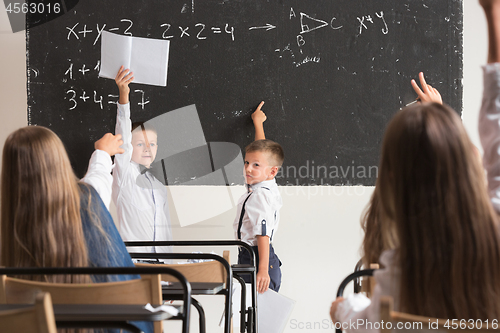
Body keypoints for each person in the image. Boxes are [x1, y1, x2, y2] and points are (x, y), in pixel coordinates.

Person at [330, 11, 500, 325]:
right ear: (465, 164)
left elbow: (367, 324)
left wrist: (343, 308)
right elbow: (496, 140)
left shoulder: (403, 270)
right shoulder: (494, 235)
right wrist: (493, 19)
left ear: (392, 180)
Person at [0, 126, 153, 332]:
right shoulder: (88, 201)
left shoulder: (8, 221)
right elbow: (98, 179)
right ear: (60, 162)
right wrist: (102, 152)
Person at [113, 66, 172, 255]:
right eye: (140, 144)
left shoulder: (158, 186)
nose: (148, 148)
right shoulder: (125, 174)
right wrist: (124, 96)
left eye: (152, 144)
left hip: (162, 265)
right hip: (134, 262)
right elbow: (122, 134)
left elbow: (166, 230)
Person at [234, 101, 284, 293]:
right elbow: (263, 154)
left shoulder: (259, 195)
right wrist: (258, 123)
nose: (247, 168)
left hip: (257, 259)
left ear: (271, 171)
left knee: (257, 319)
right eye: (247, 162)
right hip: (256, 258)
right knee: (253, 317)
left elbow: (262, 234)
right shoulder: (266, 182)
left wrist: (262, 270)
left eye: (255, 165)